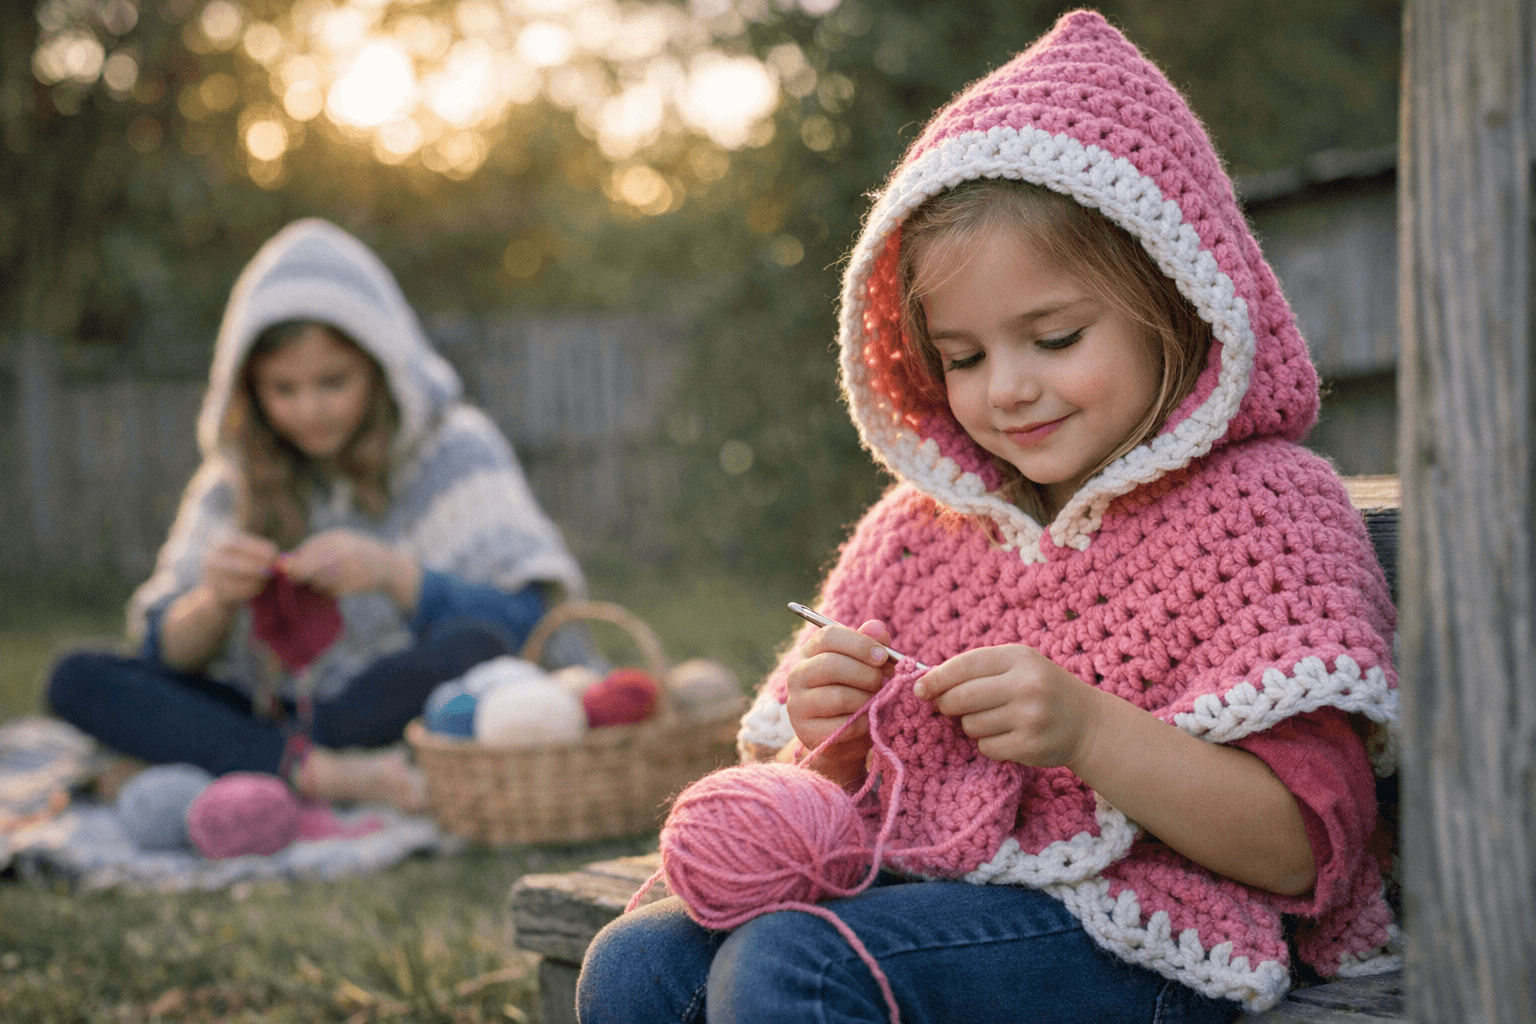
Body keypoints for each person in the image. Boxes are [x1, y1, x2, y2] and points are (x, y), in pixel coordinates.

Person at [576, 11, 1398, 1024]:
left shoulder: (1263, 513)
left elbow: (1304, 849)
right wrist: (831, 744)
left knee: (791, 966)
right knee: (636, 966)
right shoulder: (919, 532)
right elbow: (833, 812)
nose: (1006, 388)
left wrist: (1089, 729)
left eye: (1053, 337)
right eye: (962, 357)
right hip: (940, 901)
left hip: (1161, 933)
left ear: (1180, 301)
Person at [47, 218, 589, 811]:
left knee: (478, 646)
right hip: (258, 703)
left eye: (334, 382)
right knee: (78, 679)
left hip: (388, 706)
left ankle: (241, 760)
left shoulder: (454, 450)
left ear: (381, 369)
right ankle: (319, 772)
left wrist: (395, 574)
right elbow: (161, 653)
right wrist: (213, 601)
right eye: (283, 388)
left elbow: (530, 623)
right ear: (248, 390)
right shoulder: (234, 478)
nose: (309, 410)